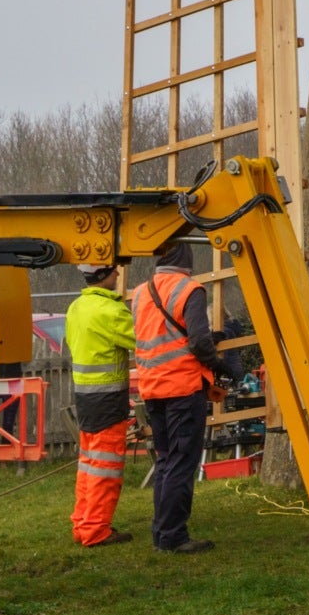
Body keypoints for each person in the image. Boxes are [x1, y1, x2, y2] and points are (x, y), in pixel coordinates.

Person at [128, 233, 227, 553]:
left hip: (152, 389)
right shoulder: (190, 289)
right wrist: (218, 364)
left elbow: (162, 332)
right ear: (186, 260)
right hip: (183, 389)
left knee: (167, 461)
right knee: (182, 463)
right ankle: (173, 536)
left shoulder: (141, 293)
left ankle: (162, 534)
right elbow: (197, 343)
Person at [63, 263, 137, 547]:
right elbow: (143, 339)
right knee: (105, 469)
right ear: (103, 274)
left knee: (89, 465)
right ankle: (96, 530)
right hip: (108, 400)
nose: (118, 275)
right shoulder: (111, 311)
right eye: (113, 271)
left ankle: (83, 524)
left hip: (85, 398)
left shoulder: (76, 307)